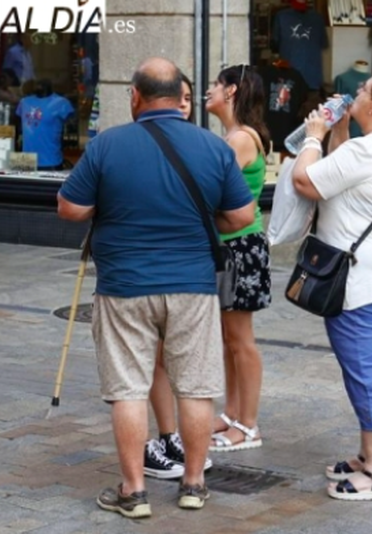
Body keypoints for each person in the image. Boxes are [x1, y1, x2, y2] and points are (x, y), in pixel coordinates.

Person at [57, 57, 255, 518]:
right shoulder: (213, 146)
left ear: (135, 96)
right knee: (196, 388)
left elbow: (68, 208)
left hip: (124, 285)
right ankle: (193, 483)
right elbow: (242, 216)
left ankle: (134, 491)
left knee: (128, 388)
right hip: (193, 286)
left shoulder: (108, 145)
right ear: (180, 99)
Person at [291, 66, 372, 501]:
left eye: (362, 90)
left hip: (363, 279)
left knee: (366, 374)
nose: (355, 92)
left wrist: (312, 135)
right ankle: (368, 456)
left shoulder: (370, 151)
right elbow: (343, 174)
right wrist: (339, 132)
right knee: (367, 367)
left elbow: (306, 180)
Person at [143, 74, 215, 479]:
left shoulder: (204, 146)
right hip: (170, 274)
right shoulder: (132, 144)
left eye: (190, 98)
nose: (186, 105)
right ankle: (171, 441)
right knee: (159, 363)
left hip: (182, 273)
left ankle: (184, 457)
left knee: (186, 372)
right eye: (181, 97)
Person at [204, 64, 272, 452]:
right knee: (231, 339)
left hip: (240, 246)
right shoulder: (233, 135)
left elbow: (208, 187)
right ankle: (232, 414)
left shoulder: (240, 140)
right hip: (231, 245)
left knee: (241, 340)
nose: (209, 91)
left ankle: (248, 425)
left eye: (217, 84)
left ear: (232, 91)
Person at [16, 79, 75, 170]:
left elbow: (71, 121)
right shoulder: (24, 102)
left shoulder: (61, 103)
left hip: (51, 160)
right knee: (25, 184)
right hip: (26, 160)